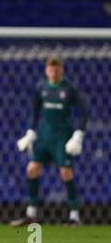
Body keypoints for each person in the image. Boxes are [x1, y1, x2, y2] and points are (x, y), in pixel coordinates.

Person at [11, 56, 88, 227]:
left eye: (56, 69)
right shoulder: (41, 87)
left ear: (62, 70)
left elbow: (84, 111)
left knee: (65, 172)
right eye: (50, 69)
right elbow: (35, 112)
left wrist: (78, 135)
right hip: (44, 135)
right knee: (31, 169)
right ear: (46, 70)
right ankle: (31, 215)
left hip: (62, 136)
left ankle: (74, 216)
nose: (53, 72)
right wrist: (30, 131)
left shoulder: (69, 89)